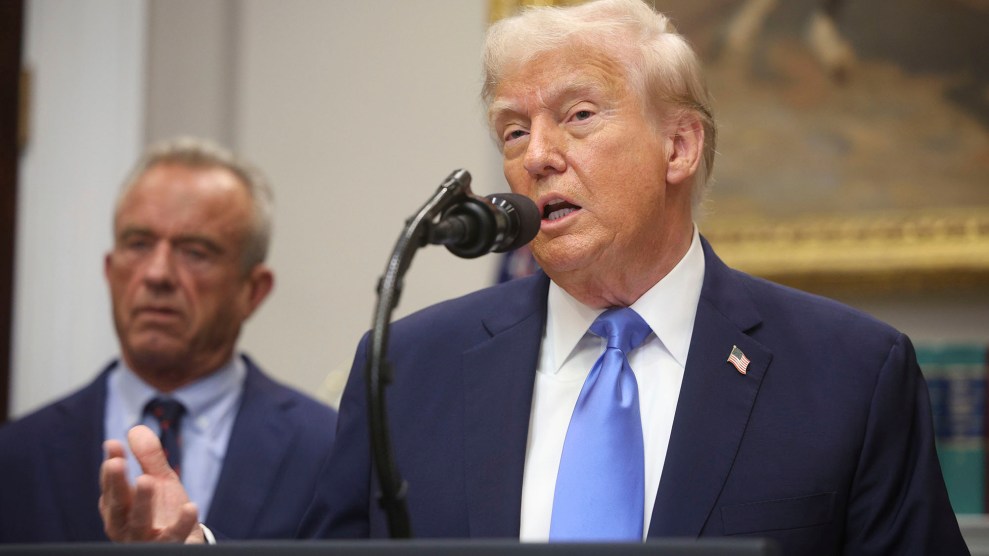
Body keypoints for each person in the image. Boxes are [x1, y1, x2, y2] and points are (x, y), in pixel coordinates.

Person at [100, 1, 968, 553]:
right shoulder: (409, 369)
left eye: (577, 116)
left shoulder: (849, 373)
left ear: (678, 145)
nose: (536, 156)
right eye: (512, 131)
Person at [0, 137, 337, 543]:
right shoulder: (17, 454)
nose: (157, 274)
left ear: (253, 290)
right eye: (138, 244)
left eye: (195, 252)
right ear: (109, 271)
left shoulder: (327, 450)